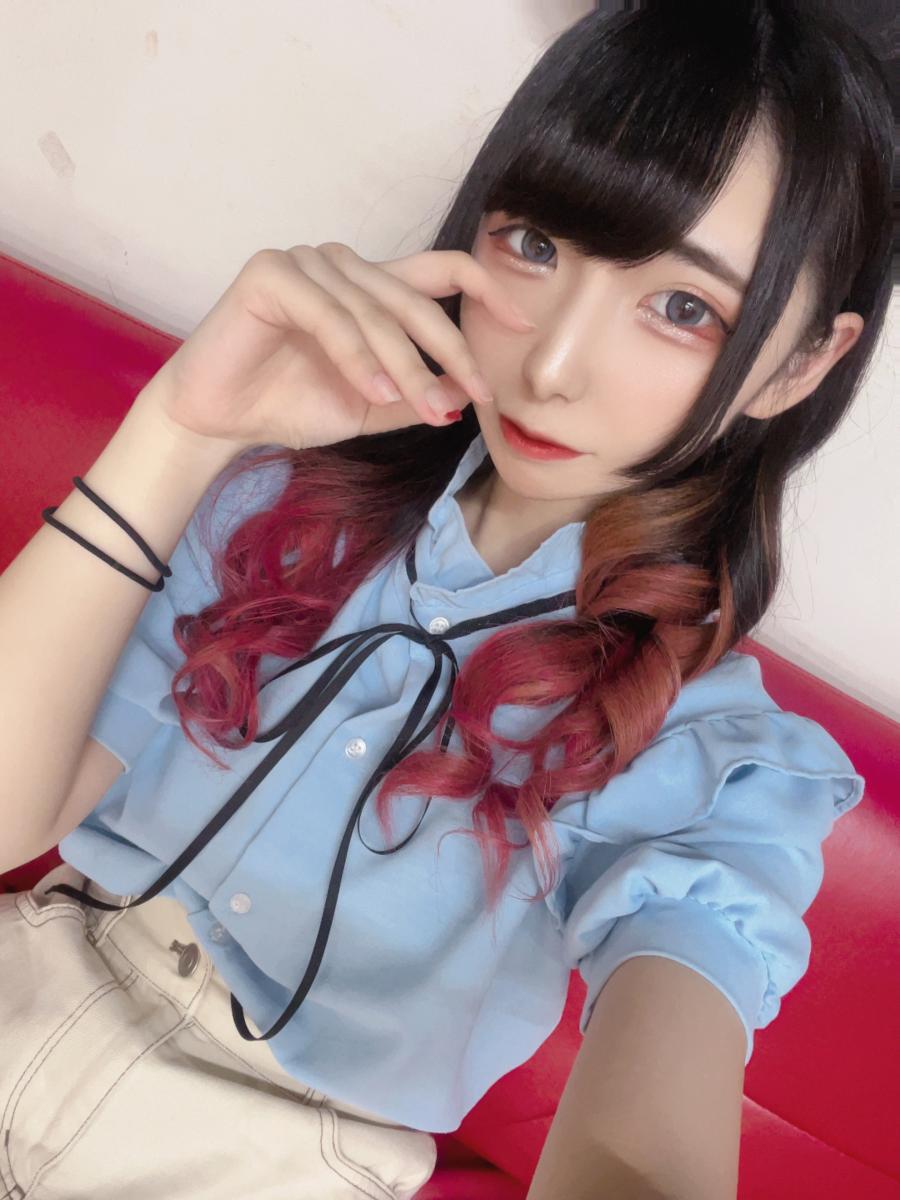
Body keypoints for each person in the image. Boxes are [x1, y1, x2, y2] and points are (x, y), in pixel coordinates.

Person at [0, 2, 892, 1197]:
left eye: (685, 308)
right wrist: (175, 432)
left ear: (800, 365)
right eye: (536, 244)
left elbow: (642, 1146)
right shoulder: (276, 496)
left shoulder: (711, 759)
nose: (554, 364)